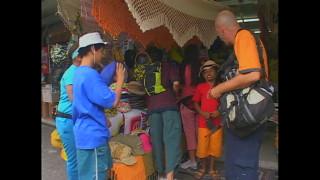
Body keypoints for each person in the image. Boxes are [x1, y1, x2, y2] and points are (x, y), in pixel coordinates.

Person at [209, 10, 270, 180]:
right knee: (236, 162)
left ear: (221, 29)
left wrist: (218, 90)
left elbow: (252, 75)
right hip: (246, 116)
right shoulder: (245, 40)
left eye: (219, 34)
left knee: (242, 165)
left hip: (248, 116)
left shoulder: (243, 37)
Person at [72, 32, 125, 180]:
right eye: (101, 51)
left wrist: (102, 118)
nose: (102, 55)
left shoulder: (78, 73)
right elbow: (112, 101)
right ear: (92, 49)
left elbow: (89, 104)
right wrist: (120, 80)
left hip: (84, 134)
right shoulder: (90, 75)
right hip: (93, 137)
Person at [145, 46, 182, 180]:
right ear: (162, 56)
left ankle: (161, 174)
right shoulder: (168, 65)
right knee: (171, 140)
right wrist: (176, 94)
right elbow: (176, 83)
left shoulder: (148, 69)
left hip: (153, 108)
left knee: (157, 141)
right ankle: (170, 176)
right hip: (169, 107)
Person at [192, 60, 223, 179]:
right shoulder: (200, 87)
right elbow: (195, 103)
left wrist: (219, 111)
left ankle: (211, 169)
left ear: (216, 72)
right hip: (203, 123)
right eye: (205, 72)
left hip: (217, 124)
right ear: (203, 75)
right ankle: (203, 167)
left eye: (211, 71)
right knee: (203, 147)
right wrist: (202, 113)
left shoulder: (221, 86)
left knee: (214, 147)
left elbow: (225, 103)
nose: (208, 73)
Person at [55, 42, 82, 180]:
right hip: (67, 120)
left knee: (77, 157)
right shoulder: (72, 73)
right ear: (78, 57)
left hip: (71, 120)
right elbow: (74, 99)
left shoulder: (78, 71)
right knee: (73, 159)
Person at [178, 44, 202, 170]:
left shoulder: (182, 67)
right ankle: (200, 157)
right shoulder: (200, 67)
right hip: (199, 103)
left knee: (189, 132)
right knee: (199, 131)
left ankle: (192, 160)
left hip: (186, 102)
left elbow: (179, 84)